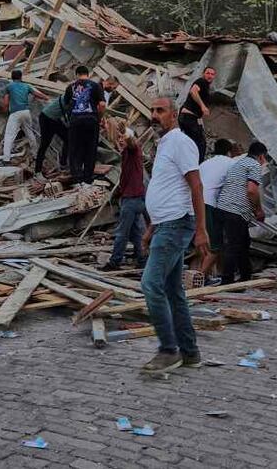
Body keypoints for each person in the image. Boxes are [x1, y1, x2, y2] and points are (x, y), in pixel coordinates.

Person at [140, 96, 209, 375]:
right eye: (152, 110)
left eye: (161, 110)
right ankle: (190, 353)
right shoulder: (165, 144)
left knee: (150, 284)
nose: (155, 115)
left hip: (176, 224)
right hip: (165, 224)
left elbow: (196, 186)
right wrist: (151, 227)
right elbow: (168, 188)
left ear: (174, 114)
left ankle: (169, 350)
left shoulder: (181, 142)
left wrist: (201, 229)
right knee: (173, 291)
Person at [215, 141, 270, 285]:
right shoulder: (254, 165)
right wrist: (258, 210)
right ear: (261, 156)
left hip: (224, 206)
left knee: (243, 243)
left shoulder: (239, 163)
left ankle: (245, 275)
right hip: (235, 210)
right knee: (234, 245)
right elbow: (251, 190)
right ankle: (227, 280)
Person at [102, 128, 148, 271]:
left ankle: (115, 262)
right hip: (136, 198)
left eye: (123, 138)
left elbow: (133, 143)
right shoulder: (126, 154)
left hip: (132, 199)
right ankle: (142, 260)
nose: (121, 140)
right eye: (119, 138)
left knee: (122, 233)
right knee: (137, 232)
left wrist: (125, 133)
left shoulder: (134, 151)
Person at [197, 138, 236, 282]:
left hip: (194, 202)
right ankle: (198, 279)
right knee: (215, 246)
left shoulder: (205, 163)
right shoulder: (231, 163)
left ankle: (206, 276)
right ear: (229, 152)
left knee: (204, 244)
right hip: (209, 204)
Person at [63, 66, 105, 185]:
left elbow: (66, 104)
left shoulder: (70, 87)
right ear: (88, 74)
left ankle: (77, 178)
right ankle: (87, 178)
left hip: (75, 121)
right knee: (90, 149)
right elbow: (102, 104)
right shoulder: (96, 86)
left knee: (75, 149)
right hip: (91, 121)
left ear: (76, 74)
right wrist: (99, 118)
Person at [1, 70, 47, 163]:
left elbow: (5, 103)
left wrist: (5, 111)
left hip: (15, 113)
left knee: (9, 136)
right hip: (26, 112)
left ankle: (6, 159)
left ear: (12, 77)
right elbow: (38, 94)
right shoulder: (26, 86)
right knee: (30, 133)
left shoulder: (9, 87)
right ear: (21, 77)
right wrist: (46, 97)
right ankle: (35, 155)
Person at [179, 67, 215, 162]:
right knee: (200, 144)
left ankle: (186, 162)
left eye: (212, 74)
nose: (210, 76)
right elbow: (193, 91)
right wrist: (203, 106)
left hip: (187, 117)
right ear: (203, 74)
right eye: (208, 73)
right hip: (188, 118)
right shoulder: (201, 81)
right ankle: (198, 166)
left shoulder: (206, 86)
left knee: (190, 143)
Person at [35, 95, 69, 176]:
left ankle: (63, 164)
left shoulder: (72, 96)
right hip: (46, 118)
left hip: (55, 119)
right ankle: (37, 171)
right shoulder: (71, 99)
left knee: (68, 139)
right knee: (44, 144)